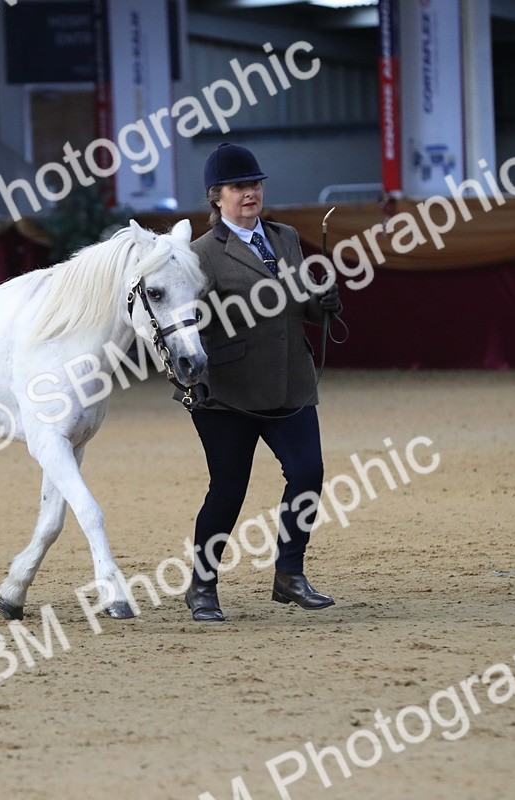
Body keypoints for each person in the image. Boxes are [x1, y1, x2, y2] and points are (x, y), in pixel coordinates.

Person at [183, 142, 342, 622]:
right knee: (228, 490)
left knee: (308, 473)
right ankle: (202, 586)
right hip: (226, 391)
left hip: (289, 380)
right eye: (238, 187)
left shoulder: (286, 237)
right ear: (216, 197)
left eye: (254, 184)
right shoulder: (200, 255)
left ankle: (289, 574)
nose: (249, 193)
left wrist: (322, 300)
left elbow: (298, 302)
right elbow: (183, 323)